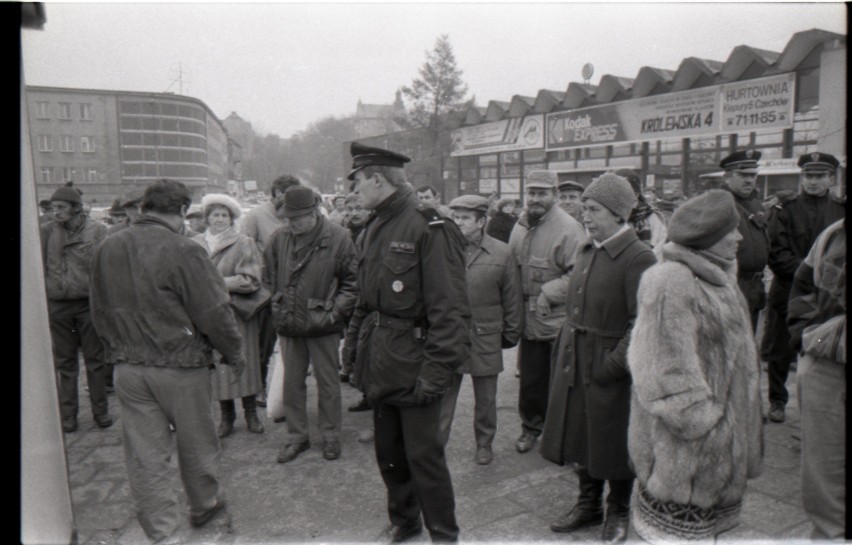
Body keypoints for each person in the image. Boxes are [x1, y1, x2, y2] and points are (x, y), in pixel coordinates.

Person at [89, 179, 246, 544]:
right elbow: (214, 311)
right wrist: (234, 352)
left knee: (145, 456)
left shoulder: (107, 248)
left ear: (144, 208)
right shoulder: (185, 250)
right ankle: (204, 504)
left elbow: (97, 310)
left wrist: (118, 349)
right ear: (179, 211)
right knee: (196, 443)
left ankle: (164, 534)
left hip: (129, 368)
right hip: (181, 367)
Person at [344, 142, 470, 542]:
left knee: (424, 458)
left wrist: (435, 374)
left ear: (378, 179)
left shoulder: (430, 225)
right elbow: (366, 300)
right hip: (381, 358)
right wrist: (352, 349)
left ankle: (444, 534)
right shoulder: (375, 224)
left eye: (358, 182)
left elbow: (449, 310)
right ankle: (405, 520)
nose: (353, 192)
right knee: (390, 454)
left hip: (416, 362)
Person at [626, 190, 764, 543]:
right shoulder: (671, 279)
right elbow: (662, 373)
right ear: (707, 237)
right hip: (685, 456)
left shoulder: (717, 275)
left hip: (713, 457)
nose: (739, 237)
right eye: (730, 231)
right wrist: (706, 427)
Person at [540, 173, 656, 543]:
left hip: (611, 368)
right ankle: (588, 505)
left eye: (594, 209)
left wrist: (611, 365)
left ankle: (619, 510)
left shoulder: (639, 257)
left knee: (616, 442)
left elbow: (642, 323)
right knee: (581, 436)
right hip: (577, 359)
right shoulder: (589, 249)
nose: (585, 216)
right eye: (584, 208)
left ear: (619, 214)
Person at [264, 185, 358, 463]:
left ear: (315, 213)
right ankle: (297, 437)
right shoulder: (278, 238)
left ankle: (330, 436)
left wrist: (332, 314)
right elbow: (266, 276)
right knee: (292, 384)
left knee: (328, 383)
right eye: (287, 218)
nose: (290, 224)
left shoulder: (340, 238)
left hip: (323, 325)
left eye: (296, 218)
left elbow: (353, 284)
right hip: (290, 324)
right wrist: (277, 304)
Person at [437, 195, 523, 465]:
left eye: (464, 217)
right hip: (450, 336)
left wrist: (509, 334)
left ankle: (484, 444)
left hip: (485, 335)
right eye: (455, 216)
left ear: (481, 221)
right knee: (442, 396)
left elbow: (512, 297)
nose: (458, 222)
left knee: (486, 399)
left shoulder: (502, 252)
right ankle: (437, 444)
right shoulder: (443, 247)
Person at [762, 151, 845, 423]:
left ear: (831, 178)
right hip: (787, 292)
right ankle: (777, 400)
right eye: (808, 175)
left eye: (819, 176)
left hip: (828, 298)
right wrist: (808, 273)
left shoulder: (840, 210)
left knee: (819, 345)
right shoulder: (786, 210)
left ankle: (815, 405)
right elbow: (777, 252)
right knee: (780, 349)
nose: (812, 181)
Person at [508, 169, 584, 454]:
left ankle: (561, 438)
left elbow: (579, 275)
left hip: (557, 322)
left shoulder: (569, 228)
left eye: (542, 193)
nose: (536, 198)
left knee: (560, 385)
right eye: (531, 192)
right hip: (528, 320)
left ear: (553, 195)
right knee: (530, 381)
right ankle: (530, 429)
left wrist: (547, 292)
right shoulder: (520, 224)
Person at [787, 218, 845, 540]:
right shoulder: (832, 236)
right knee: (824, 492)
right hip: (827, 371)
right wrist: (812, 341)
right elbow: (802, 291)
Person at [192, 193, 266, 438]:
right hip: (208, 315)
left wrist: (215, 282)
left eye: (225, 215)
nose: (220, 219)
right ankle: (227, 417)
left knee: (244, 361)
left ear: (232, 218)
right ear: (207, 218)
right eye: (215, 215)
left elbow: (251, 280)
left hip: (238, 312)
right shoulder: (195, 243)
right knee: (217, 366)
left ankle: (251, 413)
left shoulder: (243, 242)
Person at [40, 181, 112, 433]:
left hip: (88, 305)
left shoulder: (98, 231)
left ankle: (100, 412)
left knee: (95, 361)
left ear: (77, 208)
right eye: (53, 207)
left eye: (61, 207)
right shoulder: (47, 231)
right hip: (58, 305)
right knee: (66, 363)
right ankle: (68, 416)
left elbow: (106, 270)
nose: (55, 211)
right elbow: (38, 267)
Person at [240, 174, 301, 406]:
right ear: (276, 194)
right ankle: (259, 389)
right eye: (288, 196)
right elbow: (245, 251)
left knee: (292, 345)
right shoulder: (255, 216)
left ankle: (288, 393)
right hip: (265, 291)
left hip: (292, 288)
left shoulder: (294, 214)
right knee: (263, 345)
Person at [718, 150, 770, 330]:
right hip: (731, 284)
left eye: (752, 175)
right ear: (727, 177)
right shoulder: (719, 204)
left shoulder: (755, 204)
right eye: (743, 175)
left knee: (749, 342)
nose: (749, 180)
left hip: (754, 285)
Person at [614, 169, 667, 248]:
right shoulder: (606, 216)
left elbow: (658, 249)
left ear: (636, 194)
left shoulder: (651, 217)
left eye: (621, 192)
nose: (616, 197)